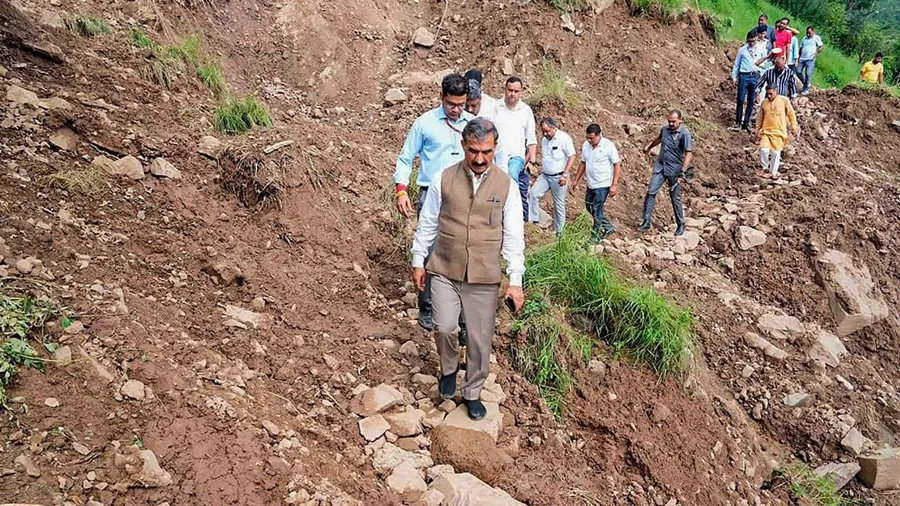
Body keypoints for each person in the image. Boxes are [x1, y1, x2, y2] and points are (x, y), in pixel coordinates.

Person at [411, 118, 525, 420]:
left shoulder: (507, 186)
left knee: (478, 339)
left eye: (486, 152)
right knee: (444, 327)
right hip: (445, 268)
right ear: (463, 145)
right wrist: (418, 259)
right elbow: (428, 221)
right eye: (473, 150)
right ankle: (449, 369)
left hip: (484, 276)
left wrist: (515, 279)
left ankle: (472, 392)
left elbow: (514, 235)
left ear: (495, 148)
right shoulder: (443, 178)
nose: (479, 158)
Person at [394, 73, 472, 337]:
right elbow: (406, 158)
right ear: (442, 97)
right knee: (430, 250)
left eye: (461, 104)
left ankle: (462, 317)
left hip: (465, 196)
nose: (456, 110)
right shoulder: (425, 123)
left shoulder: (473, 125)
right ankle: (427, 307)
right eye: (451, 104)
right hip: (432, 195)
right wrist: (401, 190)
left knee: (464, 252)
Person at [638, 110, 693, 236]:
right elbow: (659, 139)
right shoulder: (665, 130)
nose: (671, 124)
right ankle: (646, 221)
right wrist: (649, 147)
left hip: (675, 169)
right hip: (661, 166)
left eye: (673, 121)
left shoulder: (685, 133)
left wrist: (683, 172)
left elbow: (688, 153)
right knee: (651, 191)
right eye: (669, 121)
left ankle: (681, 224)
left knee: (675, 197)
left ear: (680, 120)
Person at [494, 76, 537, 221]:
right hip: (497, 154)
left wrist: (530, 159)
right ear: (505, 90)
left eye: (516, 91)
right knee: (496, 182)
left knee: (511, 177)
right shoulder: (496, 107)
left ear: (521, 92)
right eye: (510, 90)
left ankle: (513, 214)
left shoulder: (525, 110)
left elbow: (531, 138)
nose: (512, 94)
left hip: (516, 156)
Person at [572, 123, 621, 244]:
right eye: (587, 138)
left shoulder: (608, 146)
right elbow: (583, 163)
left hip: (603, 184)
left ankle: (595, 235)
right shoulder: (586, 145)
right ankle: (608, 227)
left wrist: (614, 184)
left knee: (597, 209)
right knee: (589, 206)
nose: (589, 140)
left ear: (599, 135)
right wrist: (576, 179)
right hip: (591, 183)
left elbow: (616, 164)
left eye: (592, 138)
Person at [528, 117, 575, 235]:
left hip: (559, 177)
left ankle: (559, 232)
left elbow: (572, 156)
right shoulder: (544, 140)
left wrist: (565, 174)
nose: (545, 134)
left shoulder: (564, 138)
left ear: (553, 127)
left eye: (547, 131)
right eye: (543, 131)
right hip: (545, 175)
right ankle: (534, 221)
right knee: (533, 193)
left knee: (558, 204)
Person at [756, 85, 800, 179]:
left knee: (775, 153)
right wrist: (757, 130)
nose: (769, 96)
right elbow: (760, 118)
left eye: (771, 94)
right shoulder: (764, 103)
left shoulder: (784, 101)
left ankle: (773, 172)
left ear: (776, 92)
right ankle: (765, 168)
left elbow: (791, 114)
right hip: (766, 132)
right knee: (763, 150)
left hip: (779, 132)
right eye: (767, 94)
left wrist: (794, 127)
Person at [731, 32, 763, 132]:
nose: (751, 43)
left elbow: (763, 65)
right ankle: (738, 122)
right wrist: (734, 77)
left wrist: (761, 79)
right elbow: (737, 64)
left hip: (755, 75)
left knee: (751, 101)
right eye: (749, 41)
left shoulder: (760, 50)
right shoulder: (742, 50)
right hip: (744, 75)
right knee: (740, 99)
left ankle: (746, 122)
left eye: (753, 41)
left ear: (756, 39)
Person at [797, 26, 824, 95]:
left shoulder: (816, 38)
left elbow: (821, 46)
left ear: (813, 32)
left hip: (810, 58)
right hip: (802, 58)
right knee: (798, 72)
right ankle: (806, 83)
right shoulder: (804, 38)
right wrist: (798, 57)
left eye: (809, 33)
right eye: (807, 33)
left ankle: (805, 89)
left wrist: (816, 53)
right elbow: (801, 48)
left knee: (808, 73)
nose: (808, 34)